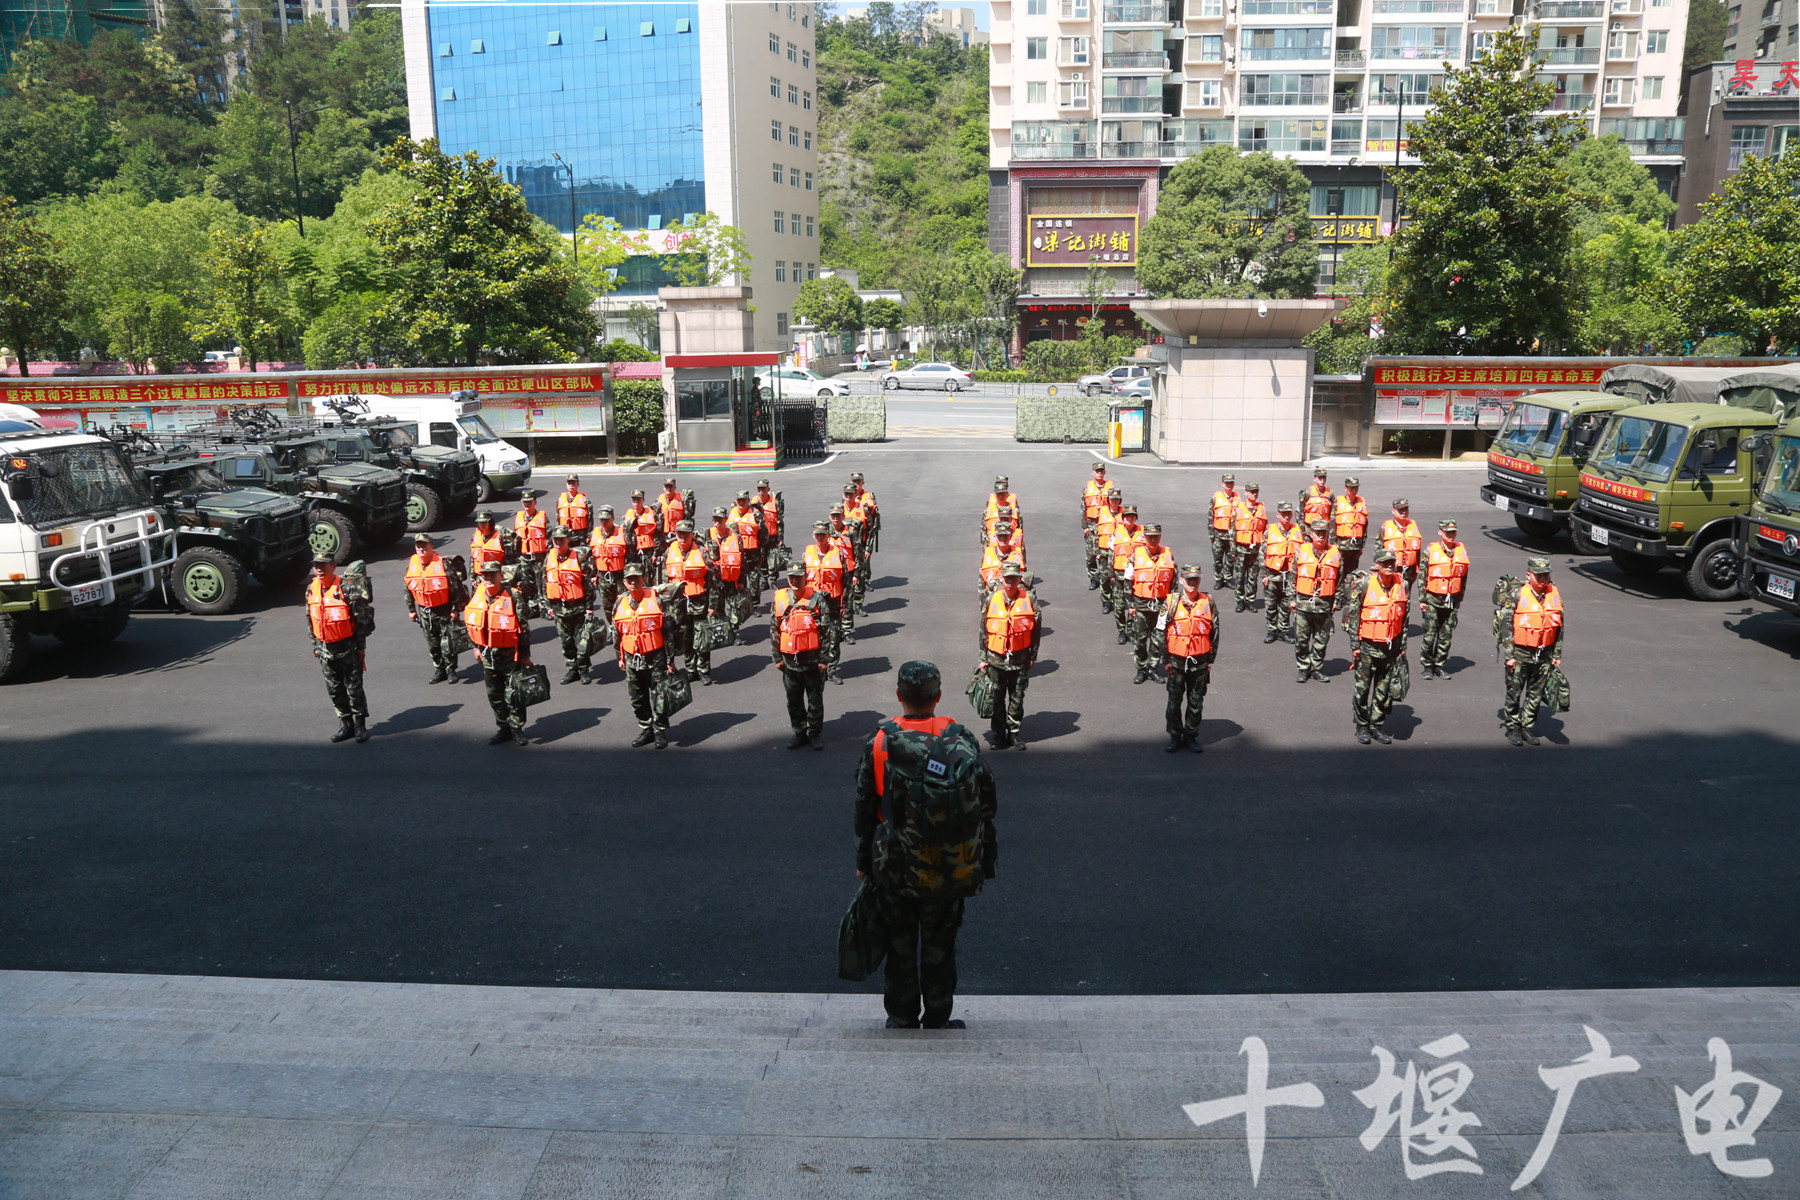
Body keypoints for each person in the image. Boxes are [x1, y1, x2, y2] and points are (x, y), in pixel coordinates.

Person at [854, 660, 998, 1029]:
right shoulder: (957, 736)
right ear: (938, 697)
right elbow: (985, 801)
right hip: (948, 862)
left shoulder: (881, 740)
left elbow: (865, 807)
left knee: (900, 945)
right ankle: (938, 1015)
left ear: (899, 696)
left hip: (895, 860)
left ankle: (901, 1016)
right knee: (940, 945)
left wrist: (863, 859)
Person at [1342, 547, 1408, 745]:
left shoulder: (1401, 583)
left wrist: (1402, 644)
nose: (1389, 566)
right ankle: (1362, 725)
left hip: (1390, 647)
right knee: (1362, 689)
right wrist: (1355, 645)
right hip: (1367, 646)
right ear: (1376, 565)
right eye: (1385, 563)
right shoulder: (1364, 584)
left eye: (1392, 563)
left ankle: (1376, 726)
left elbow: (1404, 616)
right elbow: (1353, 616)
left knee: (1383, 688)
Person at [465, 558, 533, 745]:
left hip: (510, 653)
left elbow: (524, 628)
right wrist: (475, 647)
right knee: (494, 694)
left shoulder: (513, 596)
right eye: (485, 575)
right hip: (487, 654)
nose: (488, 579)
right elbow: (473, 621)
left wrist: (525, 656)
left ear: (500, 576)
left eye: (492, 575)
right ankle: (504, 728)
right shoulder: (478, 593)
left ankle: (517, 728)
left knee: (514, 692)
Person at [305, 552, 369, 743]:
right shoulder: (311, 589)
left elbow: (360, 620)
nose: (319, 569)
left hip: (347, 648)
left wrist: (361, 647)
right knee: (334, 689)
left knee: (354, 688)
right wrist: (315, 645)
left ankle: (360, 726)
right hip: (325, 649)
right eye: (316, 565)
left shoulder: (346, 590)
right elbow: (310, 619)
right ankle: (346, 725)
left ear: (333, 566)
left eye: (323, 565)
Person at [1503, 557, 1564, 746]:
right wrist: (1509, 656)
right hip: (1520, 653)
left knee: (1535, 693)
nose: (1543, 580)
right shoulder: (1516, 594)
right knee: (1514, 692)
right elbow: (1506, 626)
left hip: (1544, 653)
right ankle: (1513, 727)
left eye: (1546, 575)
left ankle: (1527, 727)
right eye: (1539, 576)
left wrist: (1556, 655)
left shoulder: (1554, 593)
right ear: (1528, 575)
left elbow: (1559, 626)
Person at [978, 561, 1039, 749]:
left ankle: (1014, 733)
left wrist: (1032, 656)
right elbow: (983, 630)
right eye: (1007, 578)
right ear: (1001, 579)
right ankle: (998, 734)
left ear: (1019, 579)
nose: (1010, 582)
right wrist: (982, 658)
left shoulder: (1028, 599)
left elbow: (1036, 631)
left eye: (1014, 578)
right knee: (996, 698)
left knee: (1017, 698)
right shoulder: (991, 599)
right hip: (995, 658)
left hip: (1020, 659)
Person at [614, 561, 674, 748]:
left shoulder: (656, 600)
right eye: (630, 580)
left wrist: (670, 660)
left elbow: (669, 631)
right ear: (625, 582)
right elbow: (616, 633)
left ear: (644, 580)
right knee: (637, 697)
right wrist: (620, 658)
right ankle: (646, 729)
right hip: (632, 658)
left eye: (637, 579)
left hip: (655, 656)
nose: (634, 583)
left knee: (659, 694)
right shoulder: (620, 602)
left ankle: (660, 731)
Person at [1161, 564, 1219, 753]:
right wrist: (1166, 660)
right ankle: (1175, 736)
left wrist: (1210, 660)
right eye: (1188, 579)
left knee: (1196, 702)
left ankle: (1191, 735)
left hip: (1199, 661)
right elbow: (1159, 632)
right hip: (1176, 661)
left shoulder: (1208, 601)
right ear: (1181, 580)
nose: (1192, 583)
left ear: (1200, 580)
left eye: (1196, 579)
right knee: (1174, 701)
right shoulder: (1170, 602)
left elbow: (1215, 632)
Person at [772, 560, 828, 749]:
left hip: (812, 662)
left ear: (806, 577)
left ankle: (814, 734)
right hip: (789, 662)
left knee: (815, 700)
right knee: (793, 700)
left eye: (798, 577)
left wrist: (824, 659)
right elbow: (774, 629)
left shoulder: (817, 599)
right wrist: (777, 657)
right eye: (791, 578)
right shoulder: (781, 599)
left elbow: (828, 631)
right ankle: (799, 732)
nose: (795, 581)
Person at [1287, 520, 1342, 683]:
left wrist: (1337, 600)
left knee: (1321, 639)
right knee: (1302, 639)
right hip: (1304, 603)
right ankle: (1304, 668)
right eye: (1317, 532)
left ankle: (1317, 667)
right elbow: (1293, 576)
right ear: (1311, 534)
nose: (1320, 536)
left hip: (1324, 604)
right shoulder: (1301, 552)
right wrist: (1291, 599)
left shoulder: (1335, 553)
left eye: (1323, 533)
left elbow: (1339, 579)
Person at [543, 524, 599, 684]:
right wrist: (547, 605)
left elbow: (588, 584)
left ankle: (583, 670)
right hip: (559, 608)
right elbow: (544, 582)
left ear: (568, 540)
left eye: (561, 540)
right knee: (566, 642)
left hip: (578, 607)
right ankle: (572, 670)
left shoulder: (579, 557)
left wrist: (589, 607)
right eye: (555, 540)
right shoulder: (549, 557)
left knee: (581, 641)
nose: (558, 543)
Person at [664, 519, 715, 685]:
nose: (682, 537)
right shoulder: (669, 551)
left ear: (692, 535)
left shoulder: (701, 551)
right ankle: (691, 669)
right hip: (678, 604)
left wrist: (713, 605)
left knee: (701, 636)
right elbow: (663, 581)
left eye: (686, 534)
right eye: (679, 534)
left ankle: (704, 670)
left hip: (698, 601)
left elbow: (713, 580)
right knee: (685, 637)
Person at [403, 533, 459, 684]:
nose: (421, 548)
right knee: (432, 642)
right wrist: (411, 610)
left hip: (443, 609)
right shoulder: (412, 565)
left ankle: (451, 669)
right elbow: (408, 588)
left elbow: (455, 587)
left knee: (447, 641)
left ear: (431, 546)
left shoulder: (443, 564)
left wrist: (455, 609)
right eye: (418, 546)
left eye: (424, 545)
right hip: (425, 610)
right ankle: (439, 669)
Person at [1419, 519, 1470, 680]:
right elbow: (1422, 575)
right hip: (1433, 599)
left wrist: (1460, 597)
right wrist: (1422, 599)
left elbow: (1463, 577)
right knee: (1430, 634)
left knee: (1446, 635)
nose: (1450, 535)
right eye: (1447, 532)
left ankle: (1439, 665)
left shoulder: (1461, 551)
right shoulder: (1430, 551)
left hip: (1451, 601)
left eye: (1453, 532)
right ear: (1440, 532)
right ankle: (1427, 665)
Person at [1126, 522, 1175, 683]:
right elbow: (1127, 581)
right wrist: (1131, 605)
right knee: (1140, 639)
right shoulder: (1135, 556)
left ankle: (1153, 668)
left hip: (1160, 606)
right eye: (1150, 537)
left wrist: (1172, 605)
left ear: (1160, 537)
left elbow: (1174, 581)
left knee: (1157, 639)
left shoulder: (1168, 555)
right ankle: (1141, 669)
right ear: (1145, 537)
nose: (1153, 540)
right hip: (1141, 605)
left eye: (1156, 537)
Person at [804, 521, 850, 684]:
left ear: (828, 535)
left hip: (833, 603)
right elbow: (801, 580)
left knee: (833, 636)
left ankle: (831, 670)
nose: (820, 537)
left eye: (823, 534)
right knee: (814, 637)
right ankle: (816, 669)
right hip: (813, 603)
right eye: (817, 534)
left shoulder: (838, 553)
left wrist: (844, 604)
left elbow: (846, 581)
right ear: (813, 535)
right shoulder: (807, 553)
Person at [705, 507, 750, 644]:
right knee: (718, 608)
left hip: (731, 579)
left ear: (725, 519)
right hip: (714, 580)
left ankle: (734, 633)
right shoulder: (707, 535)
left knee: (733, 608)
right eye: (715, 519)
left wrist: (742, 581)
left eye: (720, 519)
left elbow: (743, 560)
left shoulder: (735, 537)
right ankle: (723, 634)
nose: (717, 522)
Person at [1260, 502, 1301, 643]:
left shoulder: (1298, 530)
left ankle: (1283, 631)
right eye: (1283, 514)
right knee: (1271, 605)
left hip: (1289, 575)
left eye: (1288, 514)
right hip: (1272, 574)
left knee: (1285, 606)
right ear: (1278, 515)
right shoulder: (1270, 531)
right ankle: (1271, 631)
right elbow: (1262, 553)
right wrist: (1264, 574)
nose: (1286, 517)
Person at [1107, 503, 1146, 636]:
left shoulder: (1143, 532)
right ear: (1123, 519)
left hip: (1136, 576)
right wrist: (1111, 573)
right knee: (1119, 605)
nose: (1129, 519)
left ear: (1136, 518)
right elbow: (1111, 554)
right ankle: (1121, 631)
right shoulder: (1116, 533)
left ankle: (1130, 631)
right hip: (1120, 575)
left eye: (1132, 517)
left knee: (1133, 605)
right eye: (1127, 517)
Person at [827, 506, 862, 645]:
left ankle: (846, 630)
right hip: (832, 573)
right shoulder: (825, 532)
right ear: (830, 516)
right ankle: (835, 630)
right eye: (833, 515)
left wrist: (856, 574)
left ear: (843, 516)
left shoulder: (851, 531)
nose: (836, 518)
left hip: (848, 571)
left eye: (838, 515)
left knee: (847, 601)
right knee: (832, 602)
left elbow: (858, 553)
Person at [1231, 483, 1268, 607]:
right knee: (1240, 577)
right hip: (1241, 549)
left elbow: (1265, 531)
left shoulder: (1261, 509)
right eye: (1251, 491)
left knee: (1253, 578)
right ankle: (1240, 601)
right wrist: (1233, 550)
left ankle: (1250, 601)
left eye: (1256, 491)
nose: (1254, 494)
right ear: (1246, 493)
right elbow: (1232, 530)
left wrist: (1264, 549)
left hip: (1256, 550)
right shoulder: (1238, 509)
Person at [1081, 461, 1115, 587]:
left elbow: (1115, 506)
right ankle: (1093, 578)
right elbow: (1083, 508)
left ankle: (1105, 577)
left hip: (1106, 527)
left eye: (1101, 471)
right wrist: (1085, 526)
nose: (1099, 473)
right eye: (1097, 471)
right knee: (1091, 554)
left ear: (1104, 472)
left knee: (1105, 554)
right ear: (1093, 473)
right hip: (1092, 525)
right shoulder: (1086, 489)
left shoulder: (1111, 489)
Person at [514, 490, 550, 608]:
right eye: (525, 502)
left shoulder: (542, 516)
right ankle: (532, 605)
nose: (527, 504)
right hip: (524, 557)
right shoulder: (519, 517)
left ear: (535, 502)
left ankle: (544, 606)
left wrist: (548, 555)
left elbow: (549, 535)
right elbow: (516, 538)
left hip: (538, 556)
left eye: (529, 501)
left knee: (541, 583)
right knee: (527, 583)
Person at [590, 503, 628, 616]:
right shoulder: (595, 533)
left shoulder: (622, 532)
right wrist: (593, 574)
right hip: (603, 575)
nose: (604, 522)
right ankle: (612, 627)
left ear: (613, 518)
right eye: (602, 519)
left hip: (620, 575)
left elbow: (630, 554)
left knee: (623, 602)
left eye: (607, 519)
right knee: (607, 605)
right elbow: (592, 555)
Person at [1381, 499, 1423, 596]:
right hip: (1392, 570)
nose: (1403, 512)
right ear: (1393, 511)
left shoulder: (1413, 526)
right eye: (1400, 510)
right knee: (1392, 596)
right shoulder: (1385, 527)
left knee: (1405, 598)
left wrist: (1417, 570)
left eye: (1405, 510)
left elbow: (1417, 550)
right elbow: (1378, 551)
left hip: (1409, 570)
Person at [729, 490, 766, 595]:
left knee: (754, 581)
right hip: (739, 555)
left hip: (753, 554)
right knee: (740, 582)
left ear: (748, 500)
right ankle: (744, 605)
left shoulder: (756, 514)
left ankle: (754, 606)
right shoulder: (732, 513)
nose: (741, 503)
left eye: (743, 500)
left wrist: (762, 554)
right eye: (739, 500)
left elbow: (764, 536)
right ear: (736, 501)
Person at [1094, 489, 1127, 605]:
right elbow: (1096, 532)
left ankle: (1118, 600)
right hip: (1104, 551)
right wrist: (1097, 551)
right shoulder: (1102, 511)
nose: (1115, 501)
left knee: (1119, 578)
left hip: (1120, 552)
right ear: (1108, 500)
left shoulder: (1125, 513)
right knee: (1104, 578)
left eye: (1117, 499)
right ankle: (1106, 601)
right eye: (1112, 499)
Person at [1333, 476, 1370, 576]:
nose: (1354, 490)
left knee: (1353, 573)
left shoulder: (1361, 502)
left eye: (1356, 488)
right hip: (1341, 545)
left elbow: (1364, 525)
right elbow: (1332, 524)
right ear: (1346, 488)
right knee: (1339, 572)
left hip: (1355, 546)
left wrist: (1362, 545)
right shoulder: (1338, 503)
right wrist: (1332, 545)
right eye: (1351, 488)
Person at [1209, 473, 1239, 590]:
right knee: (1217, 559)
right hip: (1218, 534)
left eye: (1231, 483)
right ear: (1222, 484)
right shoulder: (1216, 497)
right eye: (1227, 483)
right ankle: (1218, 579)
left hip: (1231, 535)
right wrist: (1211, 534)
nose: (1229, 485)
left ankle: (1228, 579)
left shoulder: (1237, 497)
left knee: (1230, 558)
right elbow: (1210, 516)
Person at [622, 488, 659, 576]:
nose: (636, 502)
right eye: (634, 500)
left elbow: (657, 535)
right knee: (634, 575)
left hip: (648, 550)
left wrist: (655, 553)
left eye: (638, 500)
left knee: (649, 575)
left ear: (643, 500)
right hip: (633, 551)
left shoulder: (651, 514)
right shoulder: (627, 516)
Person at [981, 475, 1021, 545]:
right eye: (998, 494)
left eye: (1003, 494)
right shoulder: (990, 504)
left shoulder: (1013, 506)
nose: (1000, 496)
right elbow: (983, 528)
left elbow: (1019, 525)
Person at [557, 474, 592, 543]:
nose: (571, 485)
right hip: (565, 535)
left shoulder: (585, 500)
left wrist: (589, 535)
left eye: (573, 483)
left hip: (581, 536)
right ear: (566, 484)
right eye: (569, 483)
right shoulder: (560, 500)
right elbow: (558, 518)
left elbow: (590, 520)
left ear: (578, 484)